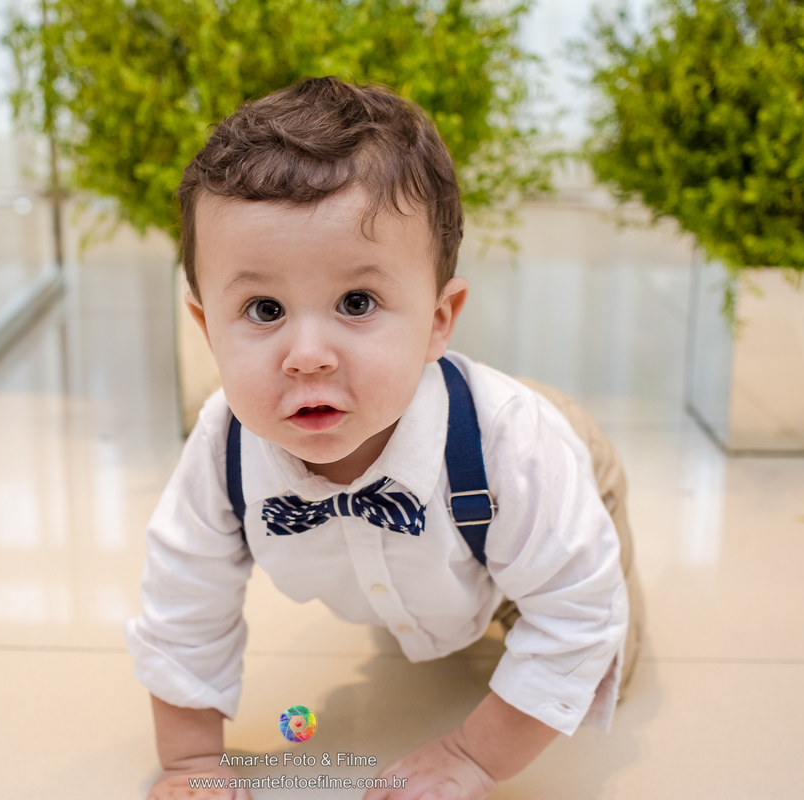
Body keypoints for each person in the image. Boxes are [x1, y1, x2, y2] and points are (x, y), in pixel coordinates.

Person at [124, 76, 644, 799]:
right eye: (265, 308)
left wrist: (473, 754)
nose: (308, 353)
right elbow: (185, 603)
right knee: (424, 590)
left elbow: (578, 616)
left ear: (438, 317)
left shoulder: (513, 447)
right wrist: (190, 761)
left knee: (595, 637)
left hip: (548, 470)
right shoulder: (224, 449)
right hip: (438, 522)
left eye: (356, 302)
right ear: (207, 326)